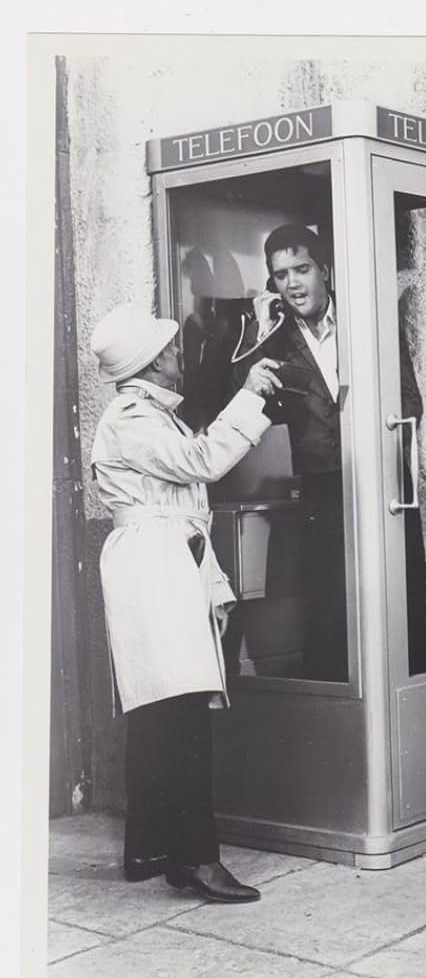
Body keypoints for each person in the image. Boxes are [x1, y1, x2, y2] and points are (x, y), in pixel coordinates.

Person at [90, 302, 281, 902]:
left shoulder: (149, 417)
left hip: (165, 561)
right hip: (153, 566)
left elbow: (185, 511)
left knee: (158, 709)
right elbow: (203, 464)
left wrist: (216, 589)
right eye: (170, 348)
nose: (179, 354)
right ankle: (197, 860)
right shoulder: (132, 418)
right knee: (181, 712)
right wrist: (249, 397)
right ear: (151, 364)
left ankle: (148, 848)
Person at [228, 224, 426, 680]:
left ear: (324, 270)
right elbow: (235, 399)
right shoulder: (274, 337)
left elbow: (411, 399)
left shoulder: (368, 318)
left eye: (301, 269)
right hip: (321, 488)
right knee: (328, 604)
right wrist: (259, 331)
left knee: (402, 595)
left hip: (381, 479)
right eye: (281, 275)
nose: (293, 283)